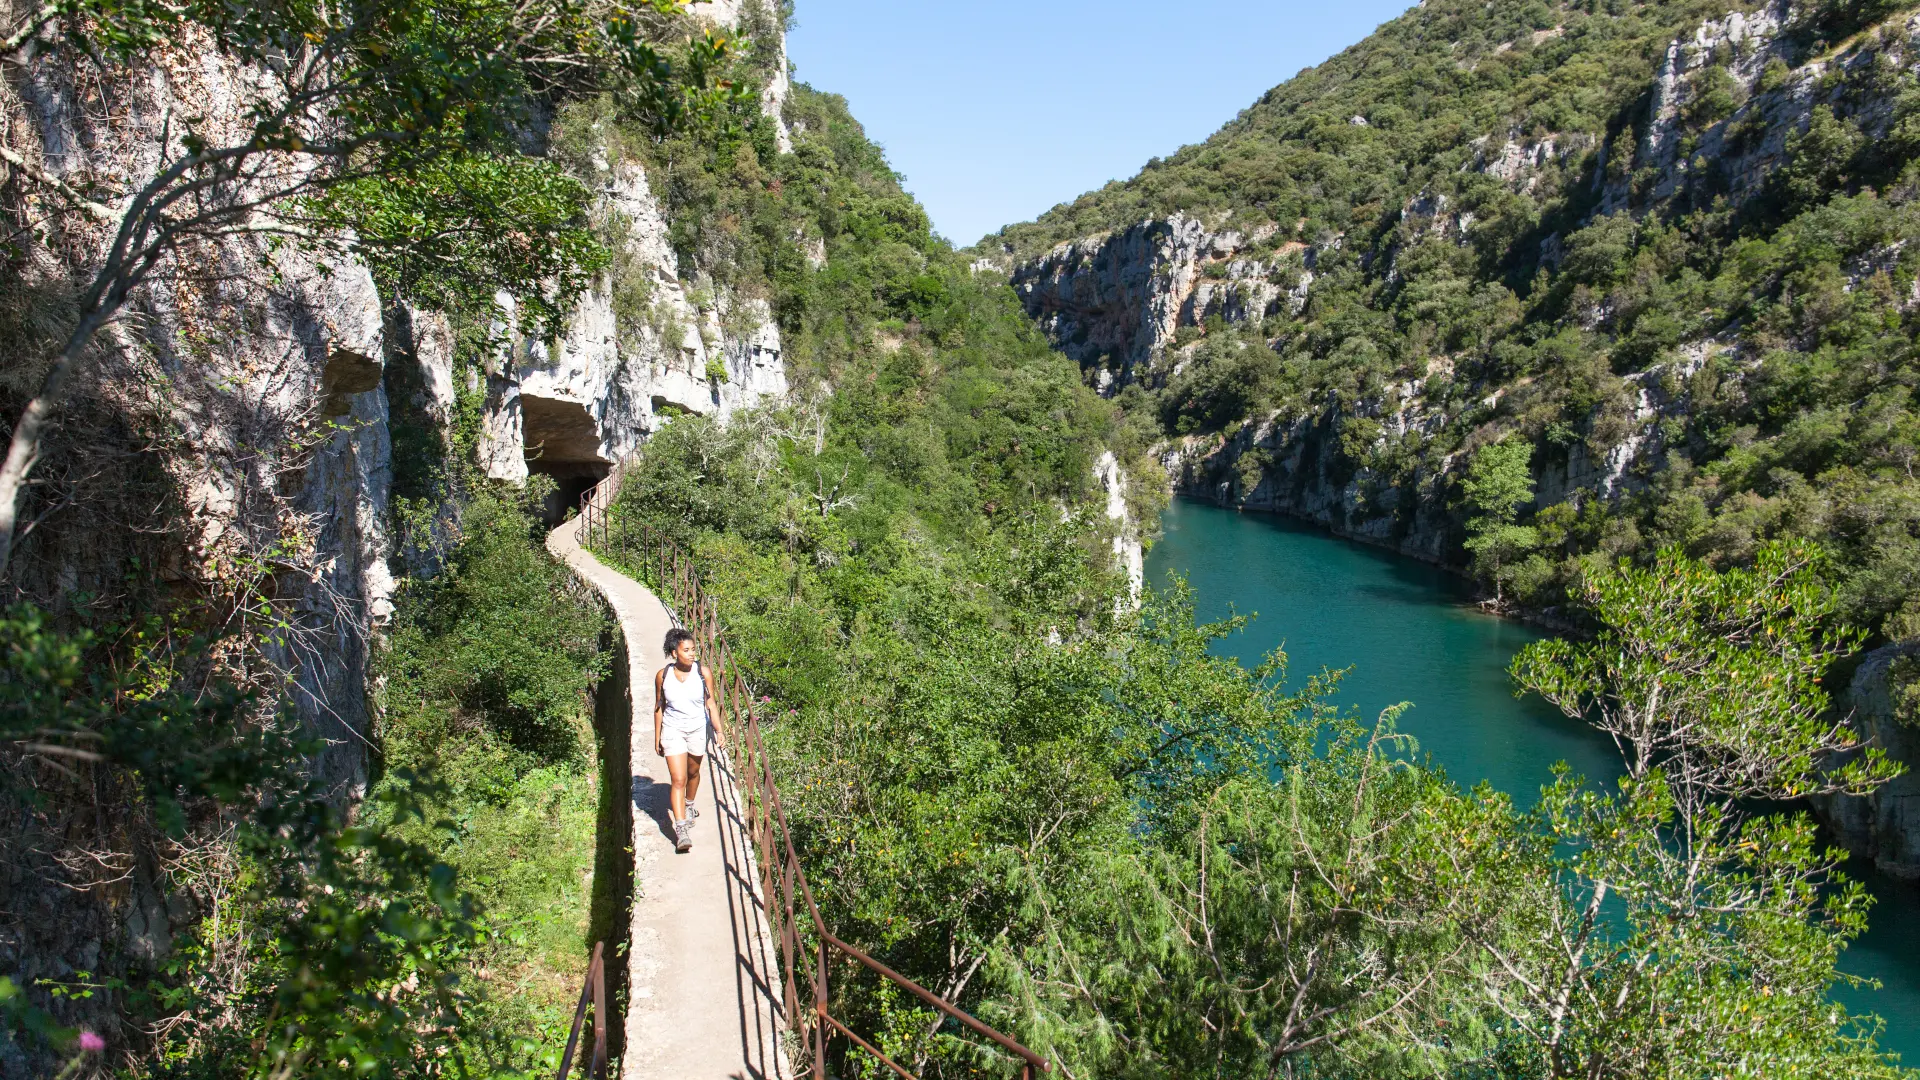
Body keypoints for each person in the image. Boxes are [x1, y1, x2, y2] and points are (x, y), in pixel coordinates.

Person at [655, 627, 724, 853]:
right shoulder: (662, 676)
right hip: (673, 730)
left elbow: (710, 703)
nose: (692, 653)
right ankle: (681, 829)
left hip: (697, 729)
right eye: (686, 650)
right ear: (674, 653)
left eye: (694, 649)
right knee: (678, 779)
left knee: (693, 773)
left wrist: (719, 730)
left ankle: (690, 804)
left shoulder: (703, 673)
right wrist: (658, 737)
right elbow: (659, 708)